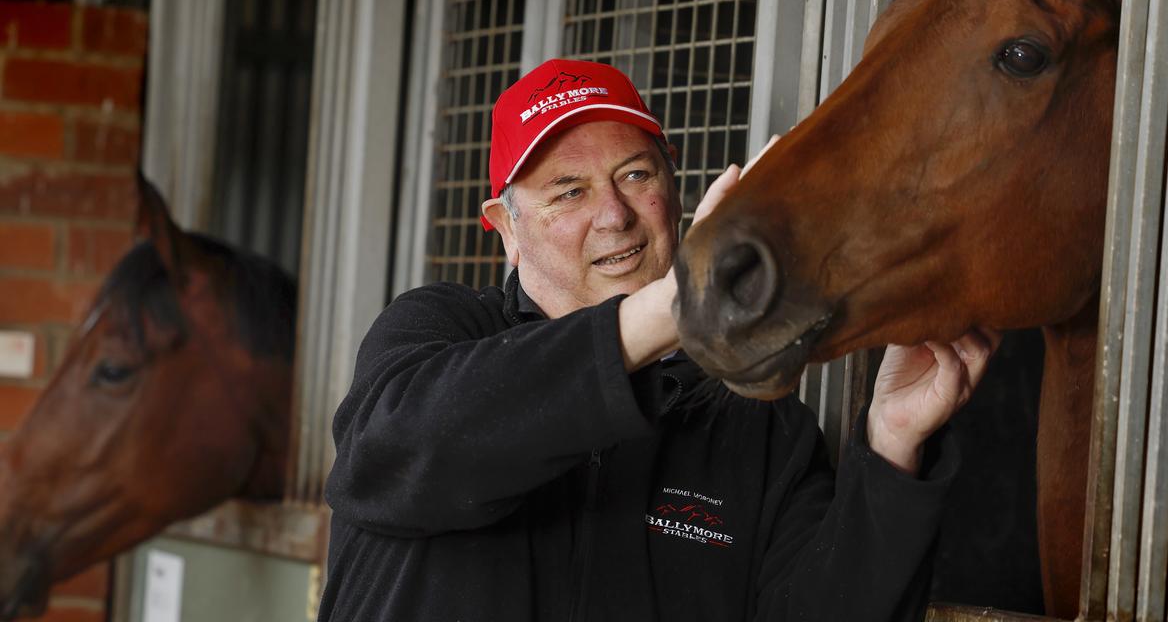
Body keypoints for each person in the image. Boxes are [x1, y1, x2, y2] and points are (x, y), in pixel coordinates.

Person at [318, 59, 999, 621]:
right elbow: (405, 453)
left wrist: (892, 446)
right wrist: (680, 303)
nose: (613, 215)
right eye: (568, 191)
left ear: (675, 193)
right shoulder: (436, 333)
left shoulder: (757, 432)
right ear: (507, 227)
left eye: (636, 175)